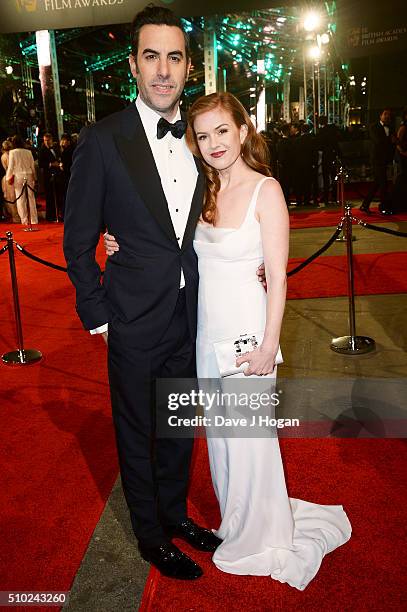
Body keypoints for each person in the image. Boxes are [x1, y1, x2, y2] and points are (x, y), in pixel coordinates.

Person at [105, 92, 352, 591]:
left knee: (249, 441)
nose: (214, 143)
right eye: (204, 135)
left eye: (223, 131)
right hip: (204, 336)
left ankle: (261, 533)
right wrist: (117, 240)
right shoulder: (203, 189)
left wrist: (268, 346)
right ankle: (236, 524)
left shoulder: (268, 191)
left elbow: (279, 279)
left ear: (243, 130)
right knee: (220, 442)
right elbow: (169, 241)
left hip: (248, 338)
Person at [63, 5, 221, 582]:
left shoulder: (201, 139)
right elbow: (77, 238)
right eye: (150, 56)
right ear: (133, 64)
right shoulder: (103, 140)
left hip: (190, 311)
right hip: (130, 317)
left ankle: (175, 515)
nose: (162, 70)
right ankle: (151, 536)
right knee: (137, 430)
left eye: (173, 57)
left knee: (179, 424)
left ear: (188, 66)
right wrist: (97, 312)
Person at [360, 108, 396, 215]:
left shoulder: (391, 127)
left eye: (389, 115)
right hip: (376, 159)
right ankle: (383, 207)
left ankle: (365, 205)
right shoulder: (374, 127)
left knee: (377, 183)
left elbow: (391, 144)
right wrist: (390, 141)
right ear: (380, 116)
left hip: (385, 160)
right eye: (385, 114)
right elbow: (378, 141)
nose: (387, 116)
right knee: (383, 183)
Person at [5, 134, 38, 225]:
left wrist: (8, 177)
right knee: (31, 198)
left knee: (20, 199)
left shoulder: (13, 152)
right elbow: (32, 166)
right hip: (29, 175)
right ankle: (34, 220)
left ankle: (24, 220)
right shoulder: (28, 152)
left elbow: (11, 167)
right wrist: (35, 177)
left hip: (18, 176)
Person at [38, 133, 61, 221]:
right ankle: (50, 216)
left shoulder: (55, 148)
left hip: (56, 174)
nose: (46, 142)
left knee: (57, 195)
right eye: (45, 140)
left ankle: (56, 214)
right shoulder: (42, 150)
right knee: (50, 196)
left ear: (51, 140)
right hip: (48, 176)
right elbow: (40, 164)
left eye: (48, 140)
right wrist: (51, 164)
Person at [1, 140, 19, 223]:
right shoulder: (12, 154)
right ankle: (17, 215)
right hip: (13, 177)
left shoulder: (3, 156)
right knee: (14, 197)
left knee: (11, 198)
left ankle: (15, 216)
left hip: (8, 178)